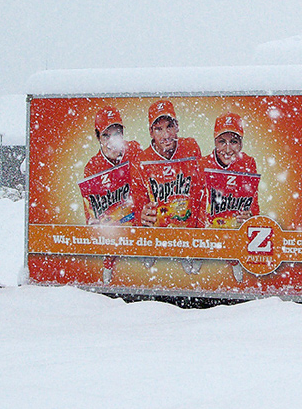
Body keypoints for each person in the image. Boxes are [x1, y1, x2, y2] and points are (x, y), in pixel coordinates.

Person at [133, 99, 206, 273]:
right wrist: (141, 218)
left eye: (169, 127)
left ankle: (187, 251)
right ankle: (153, 248)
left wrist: (195, 237)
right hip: (159, 229)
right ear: (151, 132)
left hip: (186, 225)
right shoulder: (141, 160)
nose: (166, 135)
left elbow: (198, 191)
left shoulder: (191, 147)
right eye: (159, 129)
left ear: (177, 126)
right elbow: (138, 203)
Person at [80, 106, 141, 283]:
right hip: (114, 223)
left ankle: (147, 251)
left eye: (116, 134)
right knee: (106, 228)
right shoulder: (92, 167)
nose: (111, 140)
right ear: (98, 136)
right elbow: (90, 208)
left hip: (137, 218)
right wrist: (92, 221)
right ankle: (108, 264)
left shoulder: (135, 150)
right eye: (106, 135)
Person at [198, 112, 262, 281]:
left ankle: (235, 259)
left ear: (241, 143)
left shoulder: (248, 163)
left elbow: (253, 202)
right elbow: (194, 204)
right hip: (208, 233)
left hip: (234, 230)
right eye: (222, 141)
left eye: (233, 141)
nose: (227, 149)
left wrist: (251, 217)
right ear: (214, 142)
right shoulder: (203, 164)